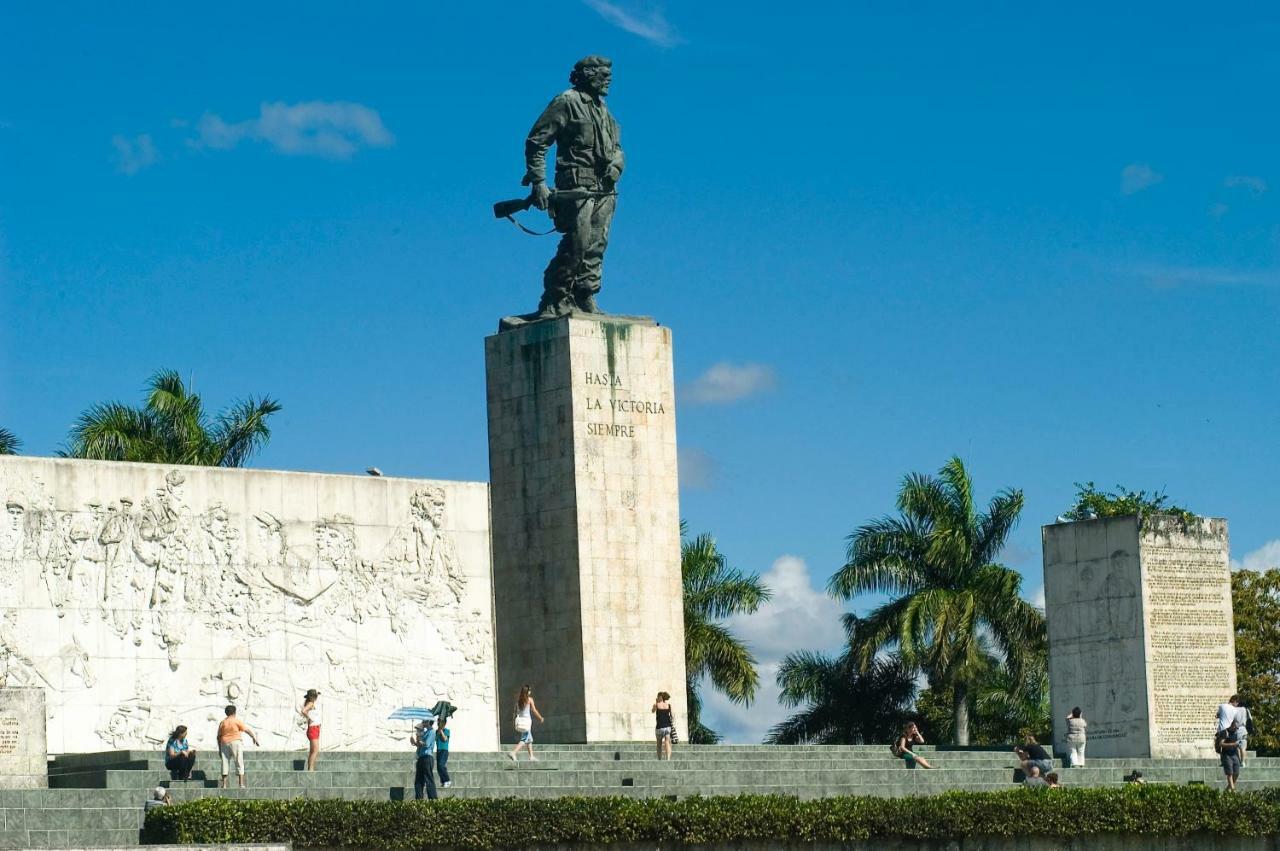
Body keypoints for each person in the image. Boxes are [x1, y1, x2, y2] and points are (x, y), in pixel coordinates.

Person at [521, 55, 625, 319]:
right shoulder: (567, 102)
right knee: (577, 243)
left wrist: (616, 165)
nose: (608, 80)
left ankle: (585, 294)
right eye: (603, 75)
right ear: (588, 75)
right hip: (575, 186)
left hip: (605, 188)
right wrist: (539, 183)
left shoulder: (605, 112)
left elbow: (617, 149)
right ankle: (556, 297)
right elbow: (537, 142)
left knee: (596, 245)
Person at [216, 704, 260, 789]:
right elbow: (246, 730)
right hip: (236, 742)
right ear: (234, 712)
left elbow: (218, 736)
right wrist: (253, 737)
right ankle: (241, 784)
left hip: (224, 743)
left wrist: (219, 748)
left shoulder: (223, 722)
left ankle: (224, 785)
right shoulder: (236, 721)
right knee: (239, 761)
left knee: (225, 763)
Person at [509, 684, 544, 762]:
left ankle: (531, 756)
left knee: (529, 739)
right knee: (524, 739)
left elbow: (515, 713)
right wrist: (540, 718)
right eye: (529, 690)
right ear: (527, 692)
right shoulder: (529, 700)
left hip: (521, 722)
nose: (530, 692)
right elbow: (534, 710)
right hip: (527, 722)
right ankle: (513, 752)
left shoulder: (518, 701)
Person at [410, 718, 438, 800]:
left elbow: (426, 744)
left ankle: (433, 799)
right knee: (418, 781)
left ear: (428, 722)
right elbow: (420, 745)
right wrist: (414, 742)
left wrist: (419, 739)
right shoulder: (425, 732)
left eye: (424, 721)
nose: (422, 722)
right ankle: (419, 799)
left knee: (429, 780)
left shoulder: (431, 732)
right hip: (421, 758)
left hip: (427, 758)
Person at [299, 689, 321, 771]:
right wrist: (309, 718)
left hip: (314, 728)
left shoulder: (310, 703)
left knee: (313, 751)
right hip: (313, 728)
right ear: (312, 696)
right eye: (316, 696)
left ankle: (310, 769)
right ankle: (311, 770)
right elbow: (303, 711)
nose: (317, 697)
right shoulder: (310, 703)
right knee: (315, 750)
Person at [1218, 720, 1243, 791]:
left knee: (1236, 773)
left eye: (1237, 728)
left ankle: (1227, 789)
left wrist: (1240, 758)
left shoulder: (1236, 733)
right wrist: (1232, 744)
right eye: (1236, 727)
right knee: (1230, 773)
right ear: (1232, 725)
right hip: (1226, 755)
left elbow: (1238, 746)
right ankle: (1233, 790)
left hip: (1234, 755)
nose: (1237, 729)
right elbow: (1221, 744)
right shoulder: (1225, 732)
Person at [652, 691, 674, 760]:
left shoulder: (657, 704)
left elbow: (652, 711)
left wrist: (656, 703)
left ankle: (659, 759)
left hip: (659, 727)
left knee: (659, 744)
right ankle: (668, 759)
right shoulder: (669, 705)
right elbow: (672, 716)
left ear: (659, 697)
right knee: (667, 742)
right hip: (667, 727)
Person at [436, 716, 452, 788]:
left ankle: (447, 780)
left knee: (441, 765)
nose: (438, 723)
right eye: (438, 721)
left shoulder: (446, 730)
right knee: (439, 767)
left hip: (444, 750)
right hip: (438, 750)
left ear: (444, 723)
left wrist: (441, 731)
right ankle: (443, 781)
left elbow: (445, 739)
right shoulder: (436, 731)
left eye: (440, 722)